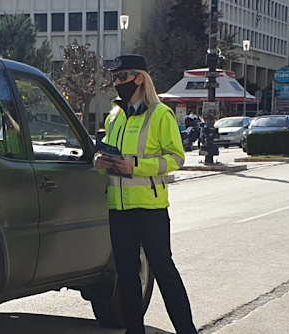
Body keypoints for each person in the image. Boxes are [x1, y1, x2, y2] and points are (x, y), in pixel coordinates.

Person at [94, 55, 197, 334]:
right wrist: (100, 162)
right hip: (119, 207)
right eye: (115, 78)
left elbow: (176, 158)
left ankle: (187, 330)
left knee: (163, 271)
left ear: (140, 78)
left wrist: (137, 166)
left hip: (150, 208)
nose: (118, 82)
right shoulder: (115, 115)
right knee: (126, 276)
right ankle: (133, 331)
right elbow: (106, 150)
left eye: (123, 76)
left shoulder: (160, 114)